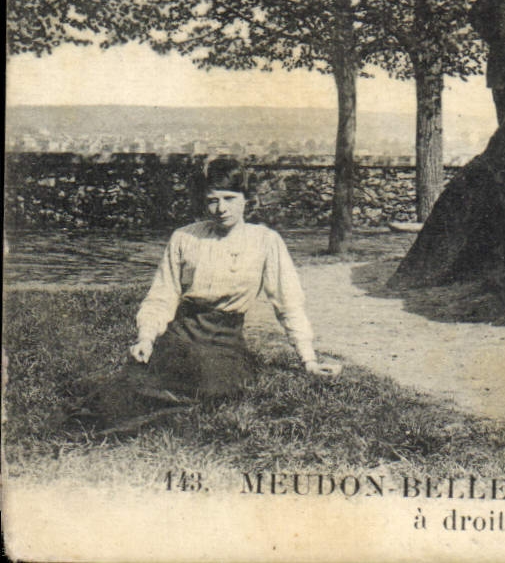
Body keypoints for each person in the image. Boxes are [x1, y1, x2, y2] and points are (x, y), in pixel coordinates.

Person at [79, 159, 337, 432]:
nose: (221, 208)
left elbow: (289, 304)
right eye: (212, 200)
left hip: (224, 339)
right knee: (132, 386)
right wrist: (146, 338)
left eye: (229, 198)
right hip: (183, 332)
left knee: (212, 388)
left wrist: (308, 360)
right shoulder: (185, 237)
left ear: (247, 199)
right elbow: (162, 295)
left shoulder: (265, 241)